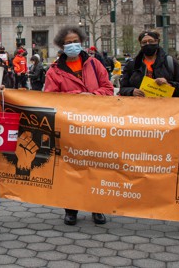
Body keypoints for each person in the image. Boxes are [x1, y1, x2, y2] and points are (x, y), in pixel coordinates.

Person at [44, 26, 113, 225]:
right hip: (69, 127)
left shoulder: (94, 64)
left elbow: (108, 89)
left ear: (81, 41)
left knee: (96, 167)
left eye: (75, 41)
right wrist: (77, 97)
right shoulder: (54, 71)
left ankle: (97, 207)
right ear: (61, 46)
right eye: (67, 42)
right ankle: (71, 209)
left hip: (95, 124)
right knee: (70, 168)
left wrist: (91, 96)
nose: (72, 45)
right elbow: (50, 99)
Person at [118, 31, 179, 98]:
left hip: (165, 107)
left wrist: (169, 84)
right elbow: (122, 89)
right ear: (140, 44)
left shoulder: (170, 61)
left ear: (157, 42)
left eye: (151, 41)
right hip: (139, 107)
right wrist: (132, 91)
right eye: (144, 42)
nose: (148, 44)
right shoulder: (132, 64)